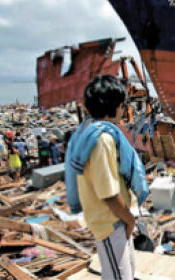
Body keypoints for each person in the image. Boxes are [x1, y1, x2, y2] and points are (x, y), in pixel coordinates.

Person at [68, 75, 138, 279]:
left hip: (114, 220)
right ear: (116, 105)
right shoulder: (103, 139)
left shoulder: (90, 133)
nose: (124, 108)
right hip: (111, 222)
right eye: (123, 104)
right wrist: (130, 220)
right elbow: (108, 193)